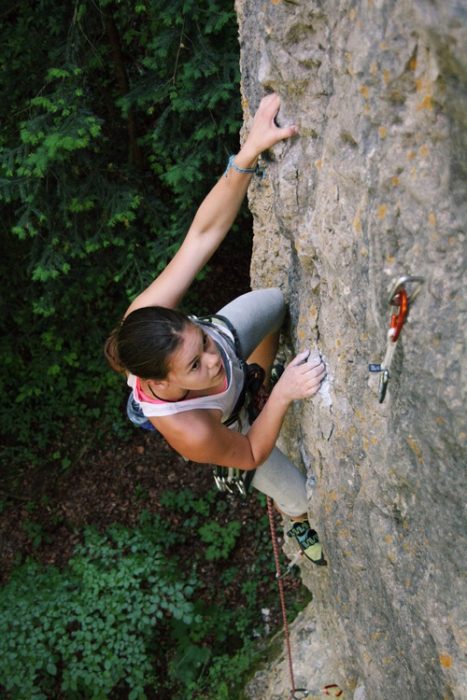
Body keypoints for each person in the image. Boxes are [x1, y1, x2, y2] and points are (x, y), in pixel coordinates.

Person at [105, 93, 327, 565]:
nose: (210, 360)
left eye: (198, 340)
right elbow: (248, 452)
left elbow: (202, 236)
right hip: (230, 429)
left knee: (273, 305)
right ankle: (296, 522)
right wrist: (287, 393)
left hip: (236, 351)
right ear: (162, 383)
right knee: (301, 498)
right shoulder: (189, 431)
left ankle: (255, 385)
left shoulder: (148, 316)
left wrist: (247, 154)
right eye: (194, 363)